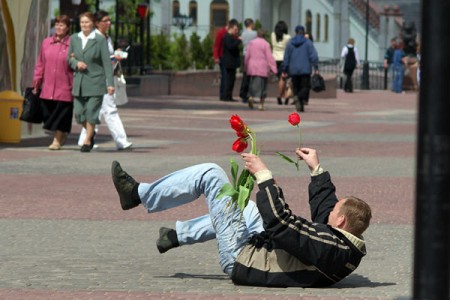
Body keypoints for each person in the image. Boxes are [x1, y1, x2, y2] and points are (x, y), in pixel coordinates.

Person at [111, 147, 371, 287]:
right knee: (246, 208)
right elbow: (324, 212)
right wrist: (316, 170)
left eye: (336, 209)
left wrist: (264, 176)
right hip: (257, 251)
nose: (331, 209)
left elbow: (281, 223)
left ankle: (137, 194)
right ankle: (176, 236)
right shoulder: (341, 244)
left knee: (211, 175)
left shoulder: (329, 247)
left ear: (341, 222)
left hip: (240, 257)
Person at [77, 10, 132, 151]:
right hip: (98, 78)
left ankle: (85, 139)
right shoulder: (94, 38)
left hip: (108, 76)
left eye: (109, 21)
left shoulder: (106, 38)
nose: (108, 23)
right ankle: (122, 141)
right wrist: (114, 58)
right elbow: (96, 59)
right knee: (109, 109)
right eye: (105, 21)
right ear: (97, 23)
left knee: (98, 110)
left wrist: (115, 56)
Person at [68, 11, 114, 152]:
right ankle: (91, 131)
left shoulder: (99, 39)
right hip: (80, 81)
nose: (84, 25)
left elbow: (107, 62)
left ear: (93, 23)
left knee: (91, 112)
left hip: (96, 81)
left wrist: (110, 83)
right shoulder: (74, 38)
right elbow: (69, 58)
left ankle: (87, 141)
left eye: (87, 22)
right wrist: (76, 63)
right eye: (82, 22)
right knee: (80, 114)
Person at [33, 15, 73, 150]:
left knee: (61, 115)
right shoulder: (46, 42)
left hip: (66, 86)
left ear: (67, 28)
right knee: (48, 114)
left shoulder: (73, 44)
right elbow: (40, 63)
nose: (59, 27)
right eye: (57, 25)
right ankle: (62, 134)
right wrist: (37, 80)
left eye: (62, 25)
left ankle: (56, 141)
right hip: (48, 86)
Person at [282, 25, 319, 112]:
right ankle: (298, 97)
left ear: (295, 32)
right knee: (305, 86)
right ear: (303, 32)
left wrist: (284, 69)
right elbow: (313, 56)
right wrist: (316, 67)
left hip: (293, 69)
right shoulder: (308, 43)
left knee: (296, 87)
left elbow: (286, 57)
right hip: (305, 69)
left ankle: (299, 104)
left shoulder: (290, 43)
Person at [244, 29, 277, 111]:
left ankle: (251, 97)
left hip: (252, 67)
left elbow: (247, 55)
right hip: (262, 68)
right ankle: (261, 104)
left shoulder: (251, 43)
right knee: (263, 87)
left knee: (252, 84)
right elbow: (269, 57)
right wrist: (274, 68)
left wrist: (245, 66)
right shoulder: (266, 44)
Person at [271, 21, 291, 105]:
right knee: (283, 78)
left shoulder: (273, 35)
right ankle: (282, 95)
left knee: (280, 78)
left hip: (275, 58)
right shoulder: (287, 37)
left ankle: (282, 95)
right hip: (284, 58)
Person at [221, 19, 241, 102]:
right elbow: (230, 46)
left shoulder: (232, 37)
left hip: (232, 62)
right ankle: (226, 96)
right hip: (229, 62)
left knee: (232, 80)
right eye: (235, 29)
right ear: (231, 28)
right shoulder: (227, 37)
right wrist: (238, 40)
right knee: (228, 80)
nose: (236, 31)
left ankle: (229, 96)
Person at [239, 18, 257, 103]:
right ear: (250, 24)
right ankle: (250, 94)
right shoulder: (254, 34)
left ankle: (243, 93)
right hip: (253, 55)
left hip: (245, 54)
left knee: (245, 75)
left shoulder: (243, 33)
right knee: (252, 76)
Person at [213, 21, 229, 101]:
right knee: (224, 76)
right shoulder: (221, 32)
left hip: (228, 57)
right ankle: (223, 95)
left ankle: (226, 95)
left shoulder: (231, 33)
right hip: (222, 56)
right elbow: (216, 45)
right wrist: (216, 57)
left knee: (227, 76)